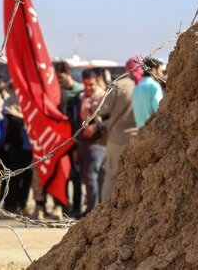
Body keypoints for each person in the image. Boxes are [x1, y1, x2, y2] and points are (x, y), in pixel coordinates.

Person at [99, 63, 137, 201]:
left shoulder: (121, 84)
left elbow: (103, 109)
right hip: (141, 136)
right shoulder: (149, 84)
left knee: (111, 174)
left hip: (118, 137)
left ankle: (106, 211)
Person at [53, 61, 83, 218]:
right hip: (61, 140)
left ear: (68, 73)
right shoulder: (58, 93)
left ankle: (77, 206)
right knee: (62, 173)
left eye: (60, 76)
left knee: (76, 174)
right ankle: (64, 206)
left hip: (77, 140)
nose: (59, 80)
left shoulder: (80, 91)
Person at [0, 82, 32, 215]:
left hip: (28, 146)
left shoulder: (30, 103)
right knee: (13, 175)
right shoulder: (8, 104)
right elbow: (10, 124)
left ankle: (23, 204)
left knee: (27, 175)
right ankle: (11, 204)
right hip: (13, 147)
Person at [77, 69, 106, 214]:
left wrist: (96, 127)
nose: (88, 88)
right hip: (85, 143)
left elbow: (110, 120)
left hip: (100, 142)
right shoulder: (82, 98)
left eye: (91, 85)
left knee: (92, 175)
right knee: (91, 177)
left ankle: (93, 211)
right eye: (85, 85)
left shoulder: (104, 97)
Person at [132, 57, 165, 128]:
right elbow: (158, 109)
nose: (161, 74)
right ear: (153, 70)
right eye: (160, 70)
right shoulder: (154, 86)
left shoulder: (137, 87)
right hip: (152, 128)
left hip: (140, 129)